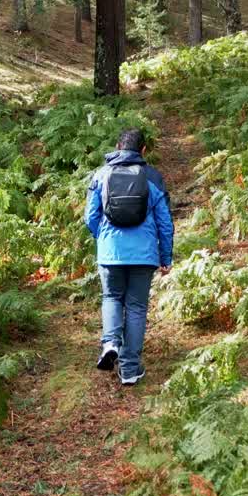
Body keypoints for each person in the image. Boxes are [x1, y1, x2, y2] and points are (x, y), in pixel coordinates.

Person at [84, 128, 174, 386]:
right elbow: (165, 223)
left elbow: (90, 217)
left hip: (110, 252)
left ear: (117, 146)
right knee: (136, 308)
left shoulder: (101, 174)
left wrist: (102, 239)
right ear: (143, 150)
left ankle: (110, 342)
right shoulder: (152, 177)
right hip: (144, 255)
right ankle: (130, 370)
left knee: (112, 297)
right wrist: (165, 255)